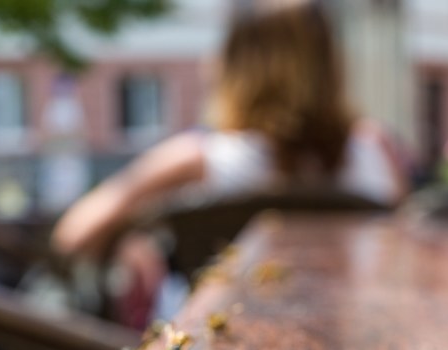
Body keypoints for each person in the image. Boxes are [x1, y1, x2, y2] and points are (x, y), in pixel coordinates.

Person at [51, 0, 408, 262]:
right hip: (352, 347)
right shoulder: (376, 149)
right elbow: (408, 247)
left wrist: (131, 235)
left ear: (233, 65)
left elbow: (72, 235)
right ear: (332, 66)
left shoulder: (196, 159)